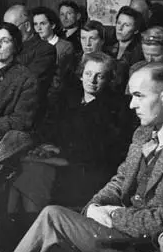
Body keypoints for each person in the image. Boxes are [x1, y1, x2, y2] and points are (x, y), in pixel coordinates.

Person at [11, 63, 163, 252]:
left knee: (52, 221)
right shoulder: (143, 133)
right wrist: (95, 206)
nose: (131, 104)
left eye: (139, 96)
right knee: (52, 214)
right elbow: (120, 181)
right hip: (120, 230)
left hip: (150, 242)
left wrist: (113, 216)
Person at [30, 53, 132, 208]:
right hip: (55, 159)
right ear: (81, 75)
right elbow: (48, 128)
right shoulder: (65, 98)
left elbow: (106, 150)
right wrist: (46, 145)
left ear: (109, 79)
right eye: (88, 74)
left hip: (87, 169)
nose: (92, 80)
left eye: (100, 76)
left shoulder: (116, 108)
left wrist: (61, 151)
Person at [3, 4, 57, 124]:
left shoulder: (44, 50)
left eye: (11, 28)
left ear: (27, 26)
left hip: (24, 113)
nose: (6, 33)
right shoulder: (7, 47)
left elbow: (28, 82)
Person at [105, 6, 145, 92]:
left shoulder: (139, 52)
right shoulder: (107, 47)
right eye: (119, 23)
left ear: (136, 30)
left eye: (126, 25)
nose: (120, 28)